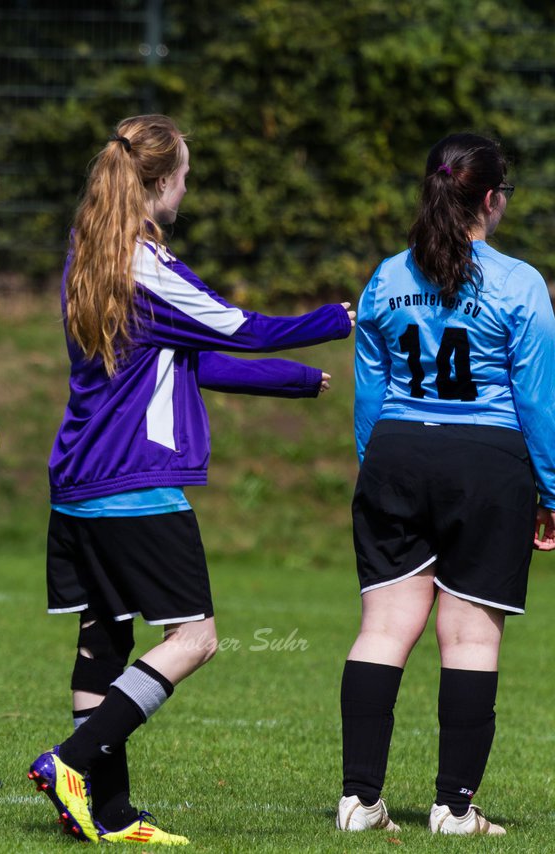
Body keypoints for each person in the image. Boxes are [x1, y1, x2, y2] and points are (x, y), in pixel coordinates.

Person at [26, 115, 355, 845]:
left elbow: (195, 358)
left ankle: (106, 816)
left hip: (79, 483)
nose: (188, 188)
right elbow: (240, 329)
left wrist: (295, 385)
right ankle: (71, 762)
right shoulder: (147, 267)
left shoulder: (89, 253)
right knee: (196, 638)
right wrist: (336, 317)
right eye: (185, 176)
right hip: (132, 483)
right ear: (160, 182)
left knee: (104, 643)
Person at [335, 133, 555, 838]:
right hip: (485, 463)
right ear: (490, 199)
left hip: (396, 455)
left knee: (383, 628)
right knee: (468, 640)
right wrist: (552, 491)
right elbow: (538, 402)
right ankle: (454, 810)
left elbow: (371, 390)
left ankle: (358, 801)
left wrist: (380, 466)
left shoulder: (385, 276)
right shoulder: (519, 282)